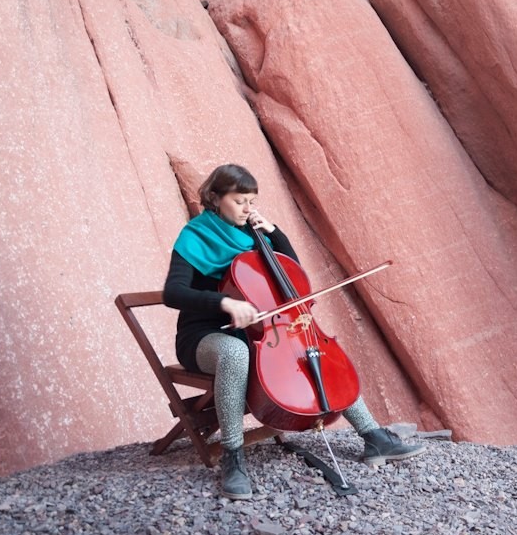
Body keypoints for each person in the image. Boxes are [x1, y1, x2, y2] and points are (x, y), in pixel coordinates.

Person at [163, 164, 425, 500]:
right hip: (203, 336)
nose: (248, 209)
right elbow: (173, 293)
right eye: (240, 201)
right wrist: (223, 302)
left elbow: (290, 277)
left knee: (310, 348)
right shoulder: (194, 236)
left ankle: (373, 436)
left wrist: (275, 233)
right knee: (234, 352)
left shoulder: (251, 235)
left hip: (257, 331)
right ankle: (232, 455)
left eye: (252, 201)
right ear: (215, 198)